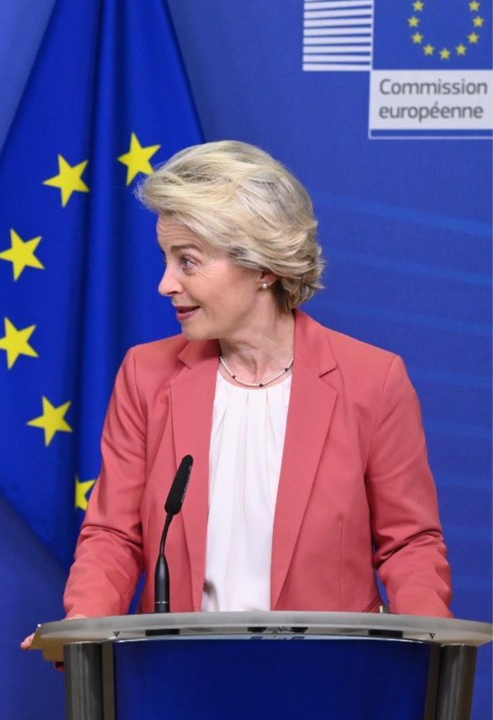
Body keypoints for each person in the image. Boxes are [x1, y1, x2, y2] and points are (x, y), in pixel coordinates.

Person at [58, 140, 452, 620]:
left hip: (327, 678)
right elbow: (114, 535)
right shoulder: (146, 375)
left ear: (262, 265)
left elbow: (409, 543)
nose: (166, 283)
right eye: (165, 259)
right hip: (181, 677)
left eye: (188, 260)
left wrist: (426, 646)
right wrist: (81, 628)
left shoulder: (373, 381)